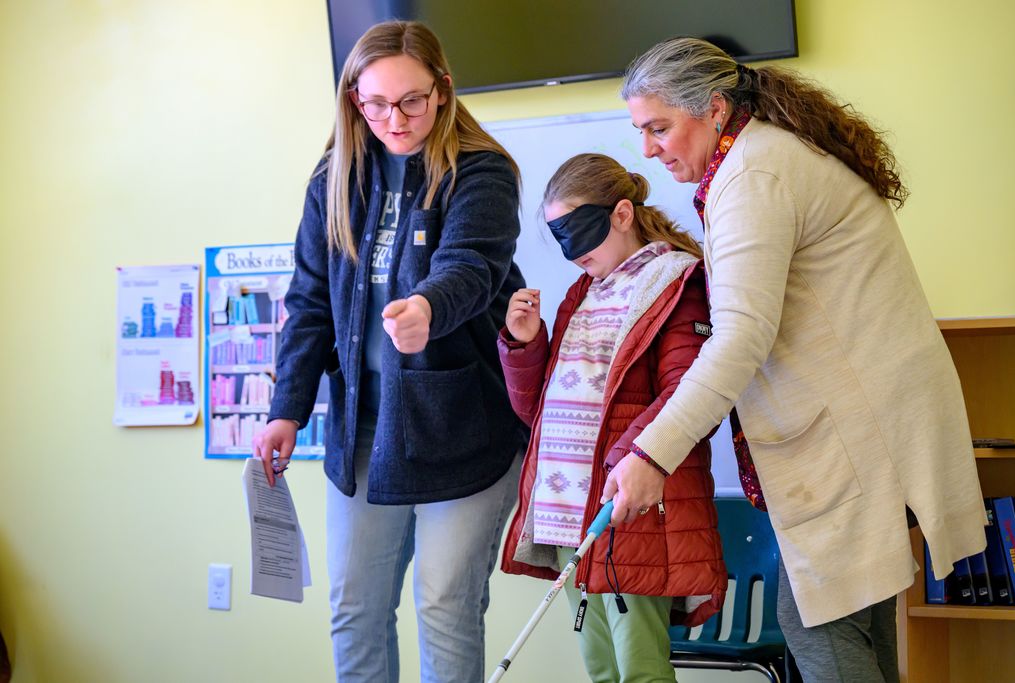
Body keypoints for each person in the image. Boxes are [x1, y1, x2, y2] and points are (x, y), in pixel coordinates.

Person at [603, 37, 988, 681]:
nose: (648, 149)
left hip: (860, 430)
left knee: (818, 624)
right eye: (641, 131)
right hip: (867, 422)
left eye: (660, 128)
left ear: (715, 109)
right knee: (858, 620)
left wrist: (650, 452)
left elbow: (740, 338)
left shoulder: (754, 175)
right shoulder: (763, 157)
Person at [252, 21, 527, 683]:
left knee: (444, 604)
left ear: (441, 92)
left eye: (409, 100)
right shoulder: (337, 177)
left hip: (463, 429)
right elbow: (311, 301)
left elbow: (470, 267)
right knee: (354, 607)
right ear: (353, 100)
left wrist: (428, 308)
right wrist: (286, 408)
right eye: (373, 103)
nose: (392, 118)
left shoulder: (482, 172)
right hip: (364, 431)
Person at [498, 153, 727, 683]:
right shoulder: (581, 295)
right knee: (601, 668)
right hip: (570, 513)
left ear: (621, 214)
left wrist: (630, 461)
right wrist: (528, 347)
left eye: (579, 232)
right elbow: (541, 413)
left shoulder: (674, 284)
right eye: (560, 236)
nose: (572, 253)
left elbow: (688, 393)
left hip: (630, 513)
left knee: (639, 670)